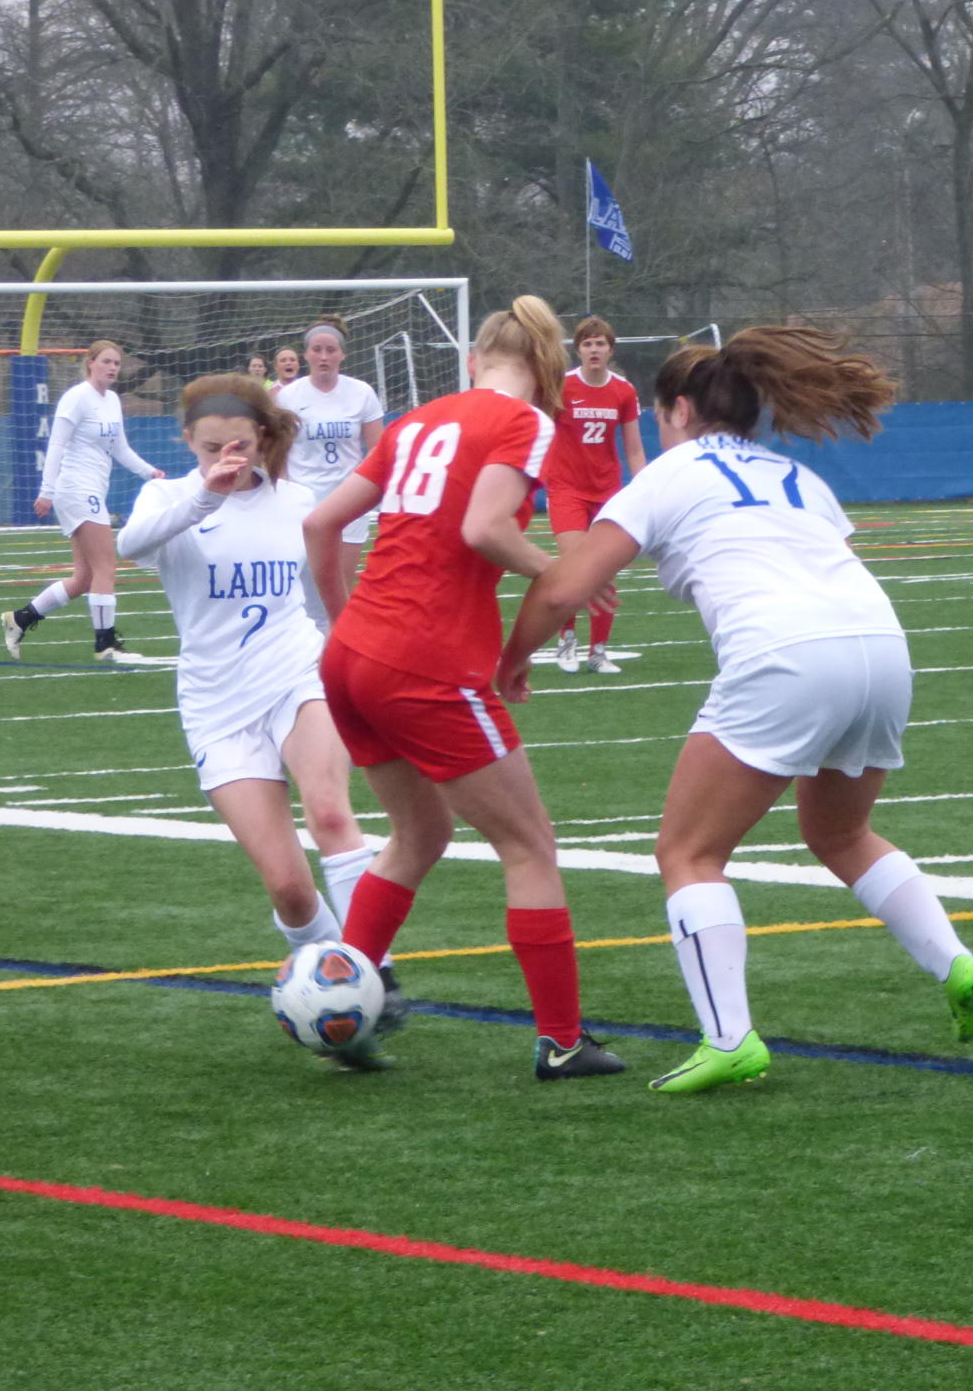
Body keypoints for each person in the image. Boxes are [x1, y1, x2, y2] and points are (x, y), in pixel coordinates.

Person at [497, 327, 973, 1094]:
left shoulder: (669, 474)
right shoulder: (796, 475)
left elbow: (567, 585)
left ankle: (728, 1037)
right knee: (839, 830)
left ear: (678, 410)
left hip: (787, 654)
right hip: (880, 646)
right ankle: (956, 961)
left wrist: (512, 654)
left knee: (687, 852)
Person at [303, 294, 625, 1083]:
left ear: (474, 359)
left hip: (351, 657)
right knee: (529, 844)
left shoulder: (417, 418)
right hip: (425, 660)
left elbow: (319, 524)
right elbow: (483, 527)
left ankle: (342, 1008)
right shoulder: (525, 421)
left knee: (419, 837)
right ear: (548, 369)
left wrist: (349, 621)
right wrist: (563, 574)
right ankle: (560, 1039)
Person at [116, 372, 403, 1071]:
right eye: (210, 445)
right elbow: (129, 544)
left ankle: (379, 976)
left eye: (237, 444)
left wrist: (356, 662)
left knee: (331, 813)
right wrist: (205, 491)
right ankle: (340, 1011)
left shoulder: (299, 501)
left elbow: (322, 598)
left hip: (295, 674)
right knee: (287, 887)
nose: (225, 456)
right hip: (216, 703)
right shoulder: (168, 496)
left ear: (262, 439)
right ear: (188, 441)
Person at [0, 340, 165, 664]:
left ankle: (19, 619)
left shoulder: (113, 400)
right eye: (106, 361)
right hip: (76, 489)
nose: (113, 368)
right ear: (90, 363)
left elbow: (120, 449)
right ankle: (105, 643)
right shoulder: (76, 398)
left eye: (117, 363)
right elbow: (57, 444)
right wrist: (46, 490)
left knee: (85, 578)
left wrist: (150, 473)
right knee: (107, 565)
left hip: (92, 491)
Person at [545, 316, 645, 675]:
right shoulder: (562, 386)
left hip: (607, 492)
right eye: (587, 343)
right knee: (574, 567)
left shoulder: (623, 391)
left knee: (604, 570)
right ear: (578, 350)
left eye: (600, 343)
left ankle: (598, 651)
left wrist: (643, 489)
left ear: (610, 350)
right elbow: (540, 429)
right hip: (567, 489)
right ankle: (566, 639)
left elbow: (633, 448)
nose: (594, 349)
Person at [275, 316, 384, 627]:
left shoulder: (361, 392)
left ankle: (336, 661)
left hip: (348, 500)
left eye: (331, 350)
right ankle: (309, 659)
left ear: (342, 354)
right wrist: (283, 492)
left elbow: (378, 449)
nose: (324, 357)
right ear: (306, 354)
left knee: (341, 589)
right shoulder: (289, 396)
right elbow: (280, 451)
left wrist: (365, 492)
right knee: (309, 592)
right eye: (317, 349)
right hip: (305, 500)